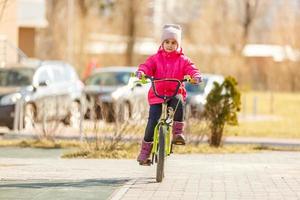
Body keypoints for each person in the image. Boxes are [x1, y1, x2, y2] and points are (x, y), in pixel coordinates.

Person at [136, 24, 202, 165]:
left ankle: (177, 133)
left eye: (173, 42)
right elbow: (146, 67)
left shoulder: (183, 60)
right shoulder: (155, 59)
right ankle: (145, 153)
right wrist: (142, 73)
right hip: (157, 94)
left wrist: (195, 76)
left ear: (177, 44)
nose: (170, 45)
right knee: (152, 120)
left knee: (179, 102)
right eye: (167, 42)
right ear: (162, 43)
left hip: (174, 92)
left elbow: (192, 69)